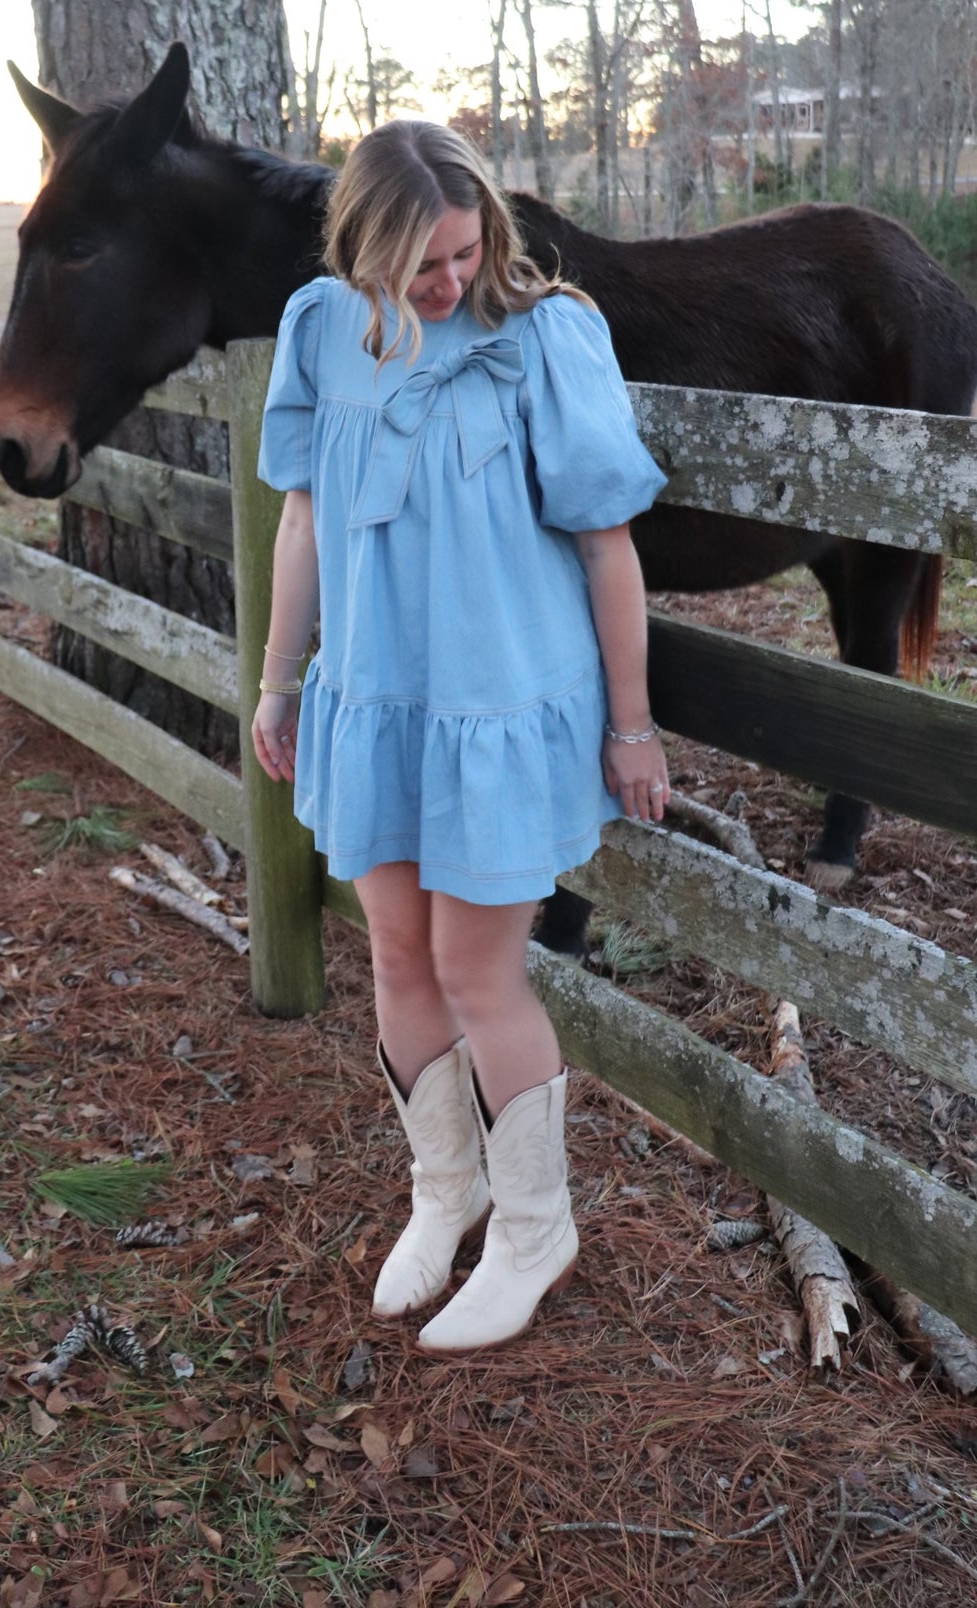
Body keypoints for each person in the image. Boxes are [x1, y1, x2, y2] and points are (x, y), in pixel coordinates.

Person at [251, 121, 669, 1354]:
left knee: (480, 968)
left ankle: (535, 1227)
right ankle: (448, 1190)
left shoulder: (544, 336)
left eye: (461, 250)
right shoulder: (321, 327)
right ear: (361, 250)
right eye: (420, 264)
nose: (445, 282)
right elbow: (301, 520)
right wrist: (280, 682)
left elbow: (607, 545)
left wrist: (631, 725)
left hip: (497, 706)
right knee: (393, 955)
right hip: (376, 696)